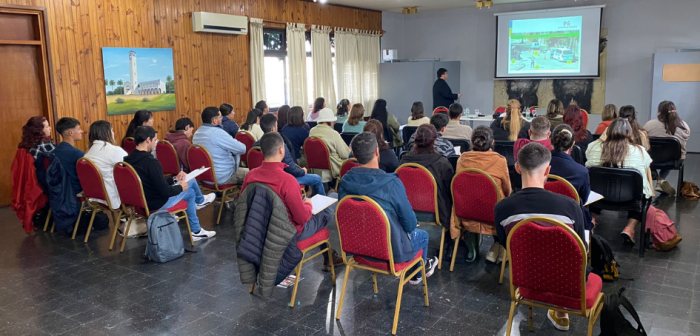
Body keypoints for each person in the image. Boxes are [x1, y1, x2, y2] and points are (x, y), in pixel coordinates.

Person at [495, 142, 586, 332]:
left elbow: (507, 245)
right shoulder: (570, 206)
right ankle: (560, 312)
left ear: (517, 168)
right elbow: (581, 250)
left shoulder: (502, 208)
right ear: (548, 170)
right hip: (566, 280)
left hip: (526, 276)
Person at [339, 132, 439, 285]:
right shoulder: (391, 183)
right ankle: (416, 276)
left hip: (357, 249)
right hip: (390, 251)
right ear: (377, 152)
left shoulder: (344, 181)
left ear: (353, 154)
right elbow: (410, 224)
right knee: (422, 235)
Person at [241, 132, 343, 271]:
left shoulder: (250, 176)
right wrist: (307, 204)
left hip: (261, 231)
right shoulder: (287, 180)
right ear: (281, 150)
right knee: (330, 203)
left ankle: (329, 257)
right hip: (291, 234)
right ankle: (329, 258)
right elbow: (302, 218)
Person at [124, 126, 216, 241]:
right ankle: (196, 229)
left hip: (141, 203)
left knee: (188, 182)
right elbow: (164, 191)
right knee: (190, 191)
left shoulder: (128, 160)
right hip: (156, 203)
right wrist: (180, 188)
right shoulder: (151, 162)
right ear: (148, 140)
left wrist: (175, 179)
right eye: (155, 140)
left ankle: (200, 203)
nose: (155, 143)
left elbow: (153, 182)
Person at [586, 118, 652, 244]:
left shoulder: (593, 146)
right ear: (629, 133)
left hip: (598, 197)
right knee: (642, 193)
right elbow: (647, 166)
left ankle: (591, 220)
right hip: (630, 199)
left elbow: (588, 161)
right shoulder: (640, 150)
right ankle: (629, 228)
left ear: (607, 132)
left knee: (597, 182)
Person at [456, 126, 512, 263]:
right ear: (492, 142)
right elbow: (507, 189)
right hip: (491, 213)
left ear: (472, 142)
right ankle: (500, 246)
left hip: (465, 210)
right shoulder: (500, 160)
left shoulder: (462, 159)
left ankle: (476, 244)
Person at [400, 124, 454, 237]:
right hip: (436, 211)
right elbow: (450, 191)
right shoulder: (442, 163)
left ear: (415, 138)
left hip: (407, 208)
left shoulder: (403, 161)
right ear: (434, 140)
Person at [254, 114, 326, 196]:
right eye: (277, 125)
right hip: (282, 181)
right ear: (273, 129)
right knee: (317, 178)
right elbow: (291, 170)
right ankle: (324, 206)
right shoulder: (280, 146)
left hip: (262, 181)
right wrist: (303, 171)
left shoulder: (255, 145)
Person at [549, 124, 593, 230]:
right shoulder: (581, 172)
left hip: (540, 213)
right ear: (572, 144)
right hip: (571, 218)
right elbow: (585, 197)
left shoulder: (538, 166)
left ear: (550, 142)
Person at [644, 100, 691, 195]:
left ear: (659, 112)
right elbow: (685, 140)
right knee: (670, 153)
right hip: (674, 161)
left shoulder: (649, 124)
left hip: (652, 159)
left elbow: (642, 139)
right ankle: (661, 180)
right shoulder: (683, 125)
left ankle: (657, 178)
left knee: (647, 154)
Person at [192, 106, 247, 185]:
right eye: (220, 117)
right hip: (223, 177)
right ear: (214, 121)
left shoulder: (196, 134)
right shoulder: (217, 133)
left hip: (204, 177)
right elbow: (242, 149)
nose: (222, 119)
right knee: (253, 174)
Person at [84, 121, 128, 209]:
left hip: (95, 195)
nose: (114, 133)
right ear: (106, 133)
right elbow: (131, 170)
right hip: (112, 196)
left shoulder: (88, 153)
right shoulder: (114, 151)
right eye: (112, 130)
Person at [308, 108, 350, 183]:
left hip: (315, 169)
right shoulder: (333, 134)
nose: (334, 123)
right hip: (332, 168)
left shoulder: (312, 131)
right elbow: (345, 154)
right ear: (330, 121)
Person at [53, 118, 85, 194]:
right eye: (79, 129)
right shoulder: (77, 153)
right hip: (76, 191)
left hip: (60, 190)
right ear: (71, 133)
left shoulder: (55, 151)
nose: (81, 131)